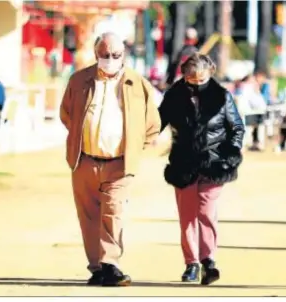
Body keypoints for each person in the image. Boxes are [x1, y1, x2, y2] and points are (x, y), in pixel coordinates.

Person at [59, 31, 161, 287]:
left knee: (113, 213)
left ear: (124, 54)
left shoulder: (137, 84)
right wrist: (80, 140)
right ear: (96, 55)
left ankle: (111, 263)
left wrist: (135, 149)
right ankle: (97, 268)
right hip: (84, 161)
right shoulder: (80, 80)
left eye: (115, 55)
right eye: (105, 55)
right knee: (89, 217)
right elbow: (66, 114)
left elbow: (152, 124)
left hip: (119, 163)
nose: (110, 59)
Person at [158, 53, 245, 285]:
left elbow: (236, 127)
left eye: (201, 80)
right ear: (184, 76)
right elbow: (158, 122)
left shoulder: (223, 96)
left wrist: (231, 153)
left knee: (206, 211)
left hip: (214, 162)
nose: (196, 84)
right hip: (184, 163)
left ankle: (208, 261)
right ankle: (191, 264)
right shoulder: (174, 96)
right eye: (191, 80)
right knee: (187, 215)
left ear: (210, 73)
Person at [235, 74, 266, 151]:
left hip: (246, 113)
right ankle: (258, 143)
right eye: (253, 80)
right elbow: (257, 103)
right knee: (260, 122)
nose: (255, 81)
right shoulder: (249, 88)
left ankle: (255, 143)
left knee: (259, 122)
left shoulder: (242, 88)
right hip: (249, 112)